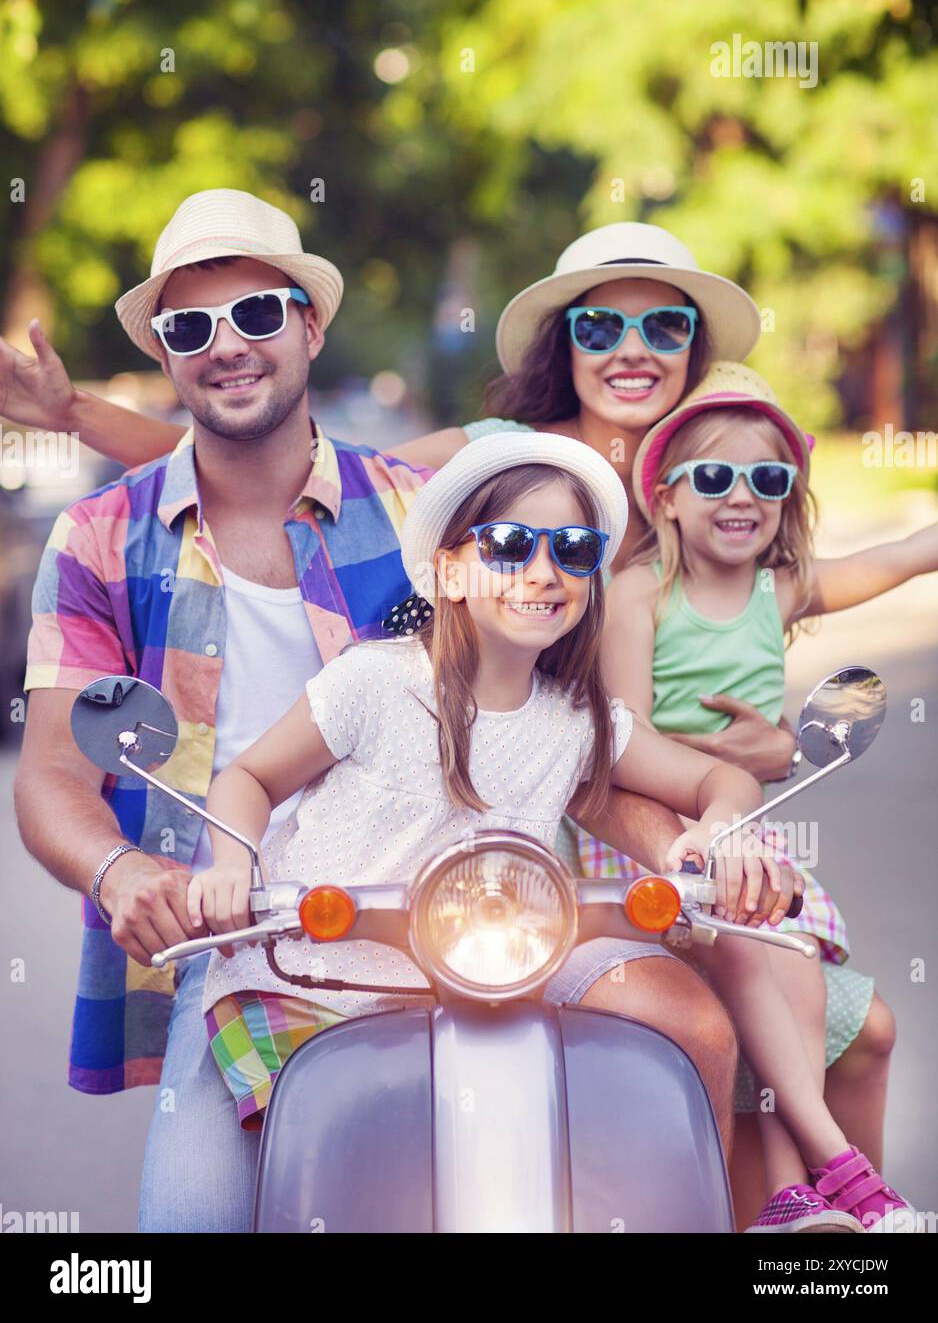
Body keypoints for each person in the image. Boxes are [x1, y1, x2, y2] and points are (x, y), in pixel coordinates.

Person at [11, 192, 748, 1232]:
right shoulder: (98, 536)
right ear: (170, 355)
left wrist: (703, 842)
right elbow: (50, 773)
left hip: (476, 914)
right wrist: (123, 869)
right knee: (191, 1220)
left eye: (258, 315)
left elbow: (562, 738)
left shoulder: (428, 515)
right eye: (190, 327)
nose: (227, 347)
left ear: (309, 326)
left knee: (669, 1046)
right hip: (251, 932)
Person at [187, 433, 779, 1143]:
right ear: (450, 573)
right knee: (341, 1153)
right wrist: (232, 863)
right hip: (305, 975)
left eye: (574, 549)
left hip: (471, 981)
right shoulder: (377, 681)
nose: (543, 569)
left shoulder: (578, 721)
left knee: (533, 1124)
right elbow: (248, 777)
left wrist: (721, 828)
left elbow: (725, 777)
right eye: (508, 544)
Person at [606, 362, 937, 1232]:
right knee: (764, 958)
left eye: (768, 479)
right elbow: (619, 736)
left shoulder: (776, 590)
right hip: (652, 839)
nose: (741, 496)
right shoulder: (639, 593)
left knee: (797, 977)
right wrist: (725, 770)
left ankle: (796, 1200)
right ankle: (832, 1180)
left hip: (744, 845)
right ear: (667, 498)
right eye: (714, 476)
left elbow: (898, 557)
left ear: (788, 497)